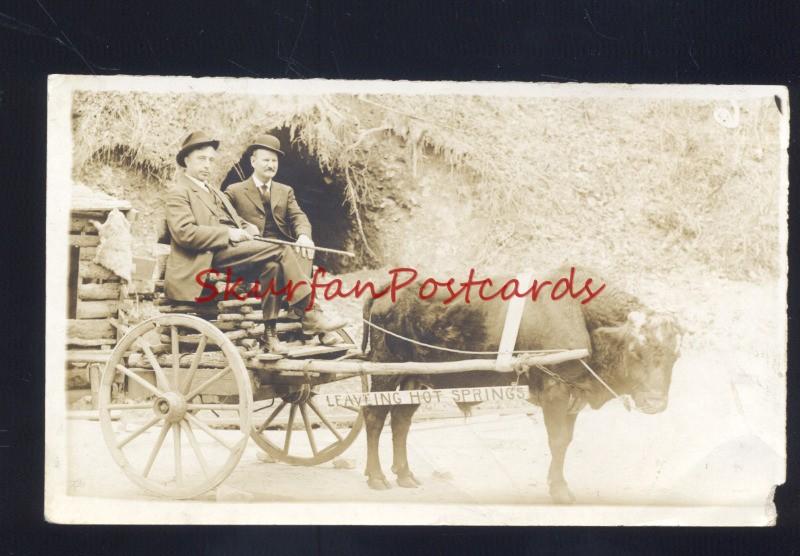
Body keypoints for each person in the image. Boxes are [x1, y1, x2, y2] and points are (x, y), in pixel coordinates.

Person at [164, 131, 346, 354]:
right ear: (186, 160)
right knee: (279, 247)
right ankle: (309, 313)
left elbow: (227, 218)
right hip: (201, 259)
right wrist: (229, 235)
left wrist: (244, 227)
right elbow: (185, 233)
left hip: (221, 252)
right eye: (201, 159)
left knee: (272, 265)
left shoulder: (211, 191)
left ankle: (270, 335)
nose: (208, 165)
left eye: (211, 160)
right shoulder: (178, 191)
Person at [225, 134, 316, 271]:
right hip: (252, 251)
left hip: (282, 248)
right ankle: (303, 292)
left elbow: (298, 216)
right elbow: (222, 217)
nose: (271, 165)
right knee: (273, 267)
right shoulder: (234, 190)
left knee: (304, 251)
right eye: (266, 160)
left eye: (274, 161)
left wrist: (304, 236)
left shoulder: (286, 191)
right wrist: (243, 228)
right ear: (253, 161)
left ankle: (301, 291)